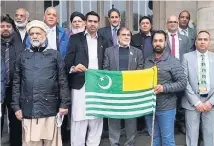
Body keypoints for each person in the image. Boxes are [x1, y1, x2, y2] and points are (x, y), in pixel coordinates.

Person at [11, 20, 70, 146]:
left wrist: (64, 103)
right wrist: (16, 107)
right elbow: (16, 83)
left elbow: (63, 81)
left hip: (50, 109)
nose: (35, 36)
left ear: (45, 35)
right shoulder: (22, 56)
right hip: (28, 109)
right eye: (32, 34)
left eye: (38, 33)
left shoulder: (55, 55)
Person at [65, 11, 108, 146]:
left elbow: (107, 63)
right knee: (79, 119)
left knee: (96, 119)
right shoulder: (75, 39)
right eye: (90, 21)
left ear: (98, 23)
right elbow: (67, 62)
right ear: (85, 23)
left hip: (98, 85)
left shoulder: (104, 41)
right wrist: (73, 67)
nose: (92, 24)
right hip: (80, 84)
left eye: (95, 21)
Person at [182, 30, 214, 146]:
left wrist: (211, 102)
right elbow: (184, 81)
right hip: (192, 103)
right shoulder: (186, 57)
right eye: (200, 39)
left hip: (210, 103)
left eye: (205, 39)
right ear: (195, 42)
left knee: (209, 135)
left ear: (209, 42)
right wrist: (196, 102)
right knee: (192, 135)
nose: (202, 42)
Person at [144, 30, 187, 146]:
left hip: (167, 107)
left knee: (168, 141)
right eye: (155, 41)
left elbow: (183, 82)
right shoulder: (147, 61)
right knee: (154, 139)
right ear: (152, 43)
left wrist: (164, 88)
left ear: (165, 42)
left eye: (160, 41)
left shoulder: (173, 61)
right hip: (150, 107)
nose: (158, 43)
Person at [103, 26, 143, 146]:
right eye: (123, 35)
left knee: (131, 119)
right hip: (114, 90)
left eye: (128, 35)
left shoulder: (137, 52)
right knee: (114, 118)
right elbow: (106, 69)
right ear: (118, 37)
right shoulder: (109, 51)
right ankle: (114, 143)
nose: (126, 37)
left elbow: (140, 69)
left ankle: (130, 143)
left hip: (130, 90)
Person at [0, 14, 24, 145]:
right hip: (0, 88)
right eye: (2, 26)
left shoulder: (19, 45)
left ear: (13, 29)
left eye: (8, 26)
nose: (5, 29)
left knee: (15, 122)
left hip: (15, 89)